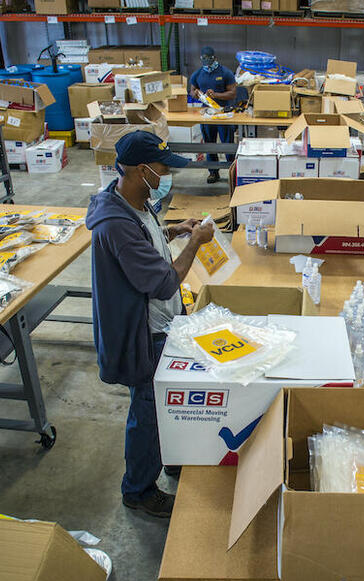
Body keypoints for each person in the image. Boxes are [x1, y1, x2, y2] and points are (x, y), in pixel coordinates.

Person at [85, 131, 215, 518]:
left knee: (166, 403)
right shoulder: (115, 225)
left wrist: (173, 231)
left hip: (162, 324)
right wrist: (195, 243)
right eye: (163, 168)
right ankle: (139, 490)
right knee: (150, 412)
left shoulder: (134, 203)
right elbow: (162, 283)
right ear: (143, 171)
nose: (167, 175)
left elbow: (145, 237)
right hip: (143, 334)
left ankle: (169, 456)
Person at [189, 45, 238, 184]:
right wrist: (196, 94)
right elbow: (192, 90)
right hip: (207, 114)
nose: (206, 61)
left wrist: (216, 95)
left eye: (209, 58)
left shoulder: (225, 73)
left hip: (223, 114)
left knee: (227, 145)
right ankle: (213, 173)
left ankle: (232, 173)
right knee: (209, 145)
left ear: (215, 58)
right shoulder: (198, 74)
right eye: (203, 59)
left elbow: (233, 93)